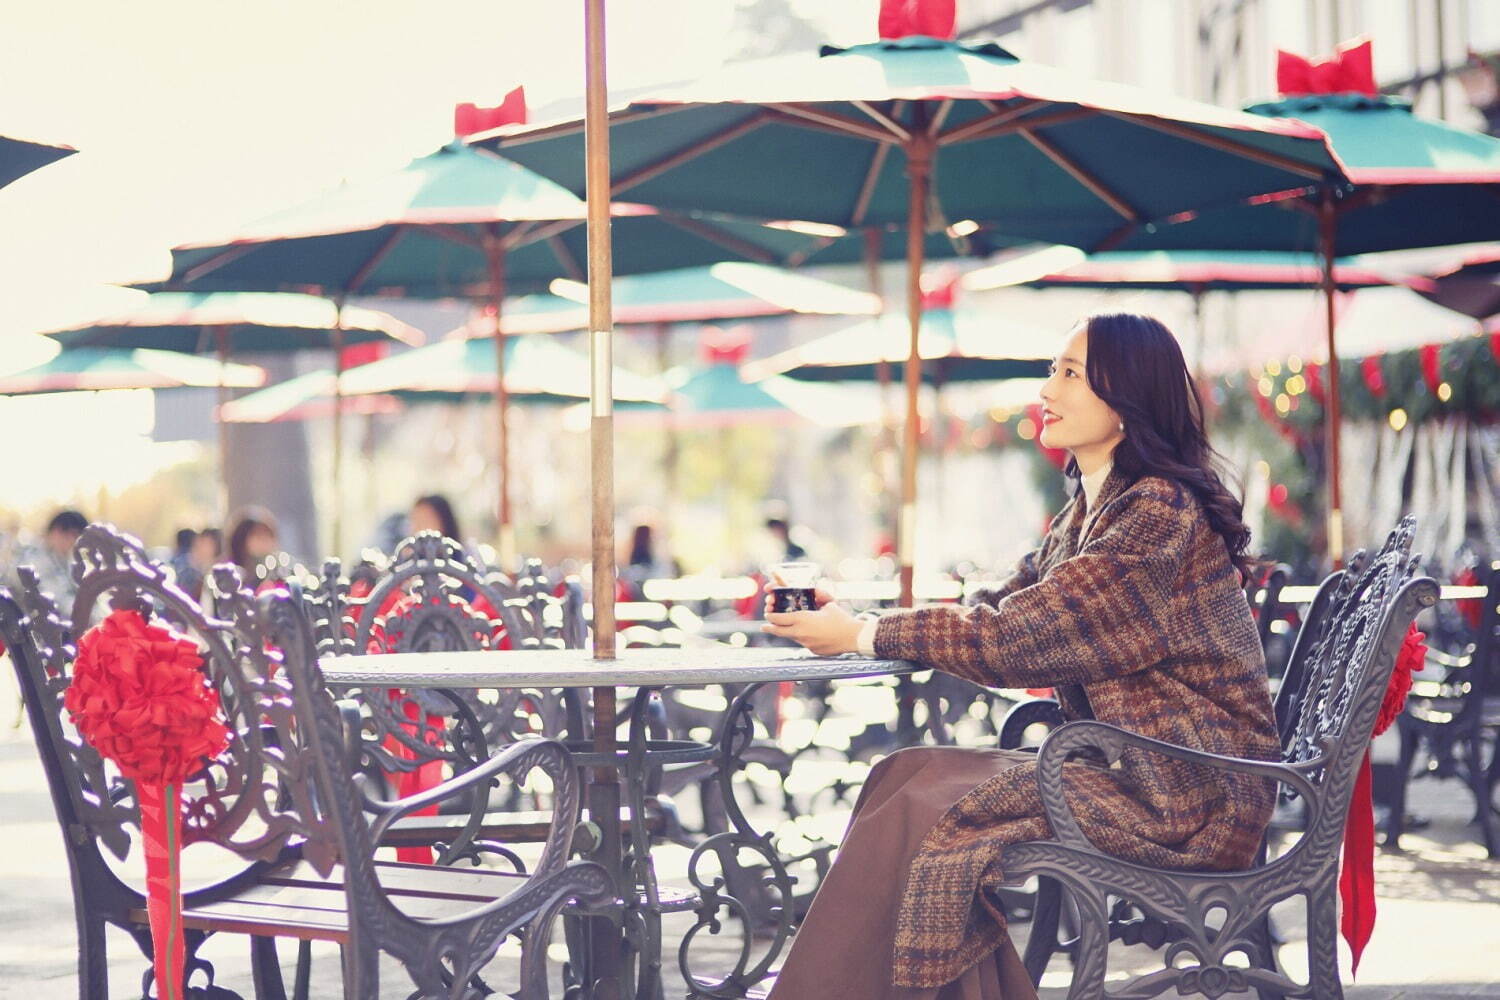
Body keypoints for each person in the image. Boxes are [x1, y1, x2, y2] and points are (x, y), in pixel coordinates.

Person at [761, 314, 1277, 1000]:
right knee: (902, 775)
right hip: (1127, 767)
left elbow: (1018, 636)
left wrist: (859, 636)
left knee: (930, 813)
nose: (1046, 389)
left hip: (1188, 791)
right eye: (1051, 371)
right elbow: (1003, 599)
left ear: (1127, 402)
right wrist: (851, 611)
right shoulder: (1097, 507)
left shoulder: (1156, 513)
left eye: (1068, 373)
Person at [226, 508, 279, 583]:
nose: (265, 542)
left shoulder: (278, 572)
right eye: (259, 537)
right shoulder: (228, 570)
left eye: (269, 536)